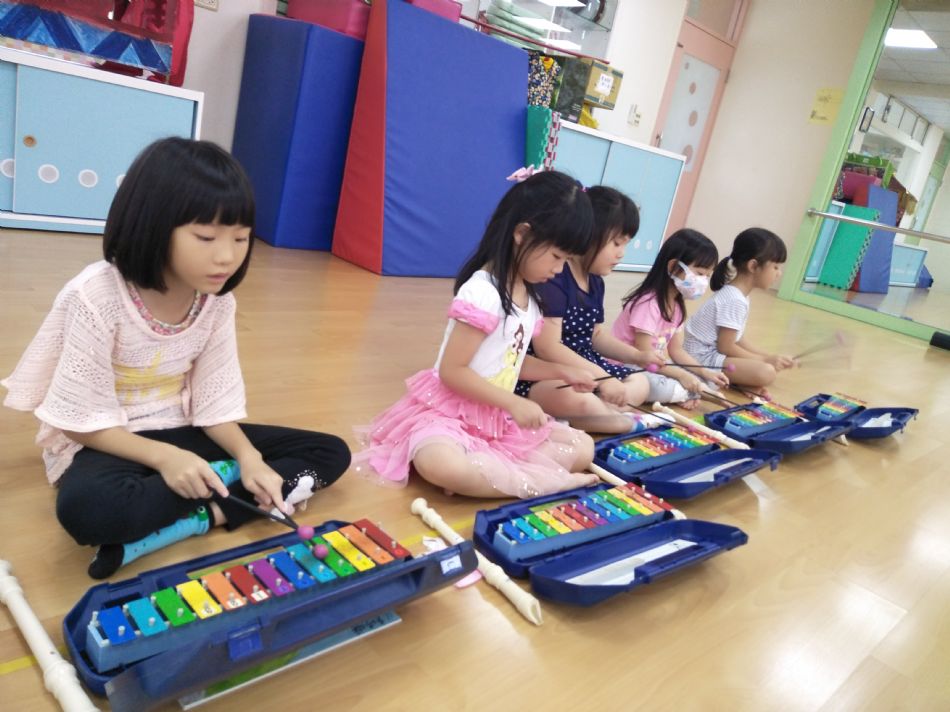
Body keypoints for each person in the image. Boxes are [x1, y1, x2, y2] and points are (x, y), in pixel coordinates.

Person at [1, 138, 350, 579]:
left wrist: (248, 458)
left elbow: (213, 406)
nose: (227, 256)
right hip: (111, 437)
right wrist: (166, 460)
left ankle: (202, 517)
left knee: (329, 452)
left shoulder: (217, 302)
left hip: (182, 426)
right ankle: (220, 490)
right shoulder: (95, 296)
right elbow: (78, 421)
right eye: (206, 237)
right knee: (88, 510)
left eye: (241, 238)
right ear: (153, 225)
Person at [353, 170, 600, 498]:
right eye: (557, 256)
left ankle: (491, 473)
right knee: (443, 465)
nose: (559, 269)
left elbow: (509, 363)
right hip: (448, 413)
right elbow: (452, 371)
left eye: (567, 260)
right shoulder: (484, 292)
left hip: (493, 419)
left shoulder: (531, 299)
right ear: (522, 234)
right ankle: (540, 482)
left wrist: (563, 371)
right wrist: (514, 403)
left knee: (583, 447)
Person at [516, 185, 664, 433]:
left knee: (640, 382)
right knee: (578, 399)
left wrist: (637, 356)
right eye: (616, 243)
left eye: (625, 245)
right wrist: (602, 377)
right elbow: (547, 347)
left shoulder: (595, 282)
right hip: (550, 372)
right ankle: (616, 418)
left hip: (586, 367)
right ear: (588, 235)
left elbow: (595, 335)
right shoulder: (555, 277)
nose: (621, 254)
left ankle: (602, 414)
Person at [613, 228, 729, 409]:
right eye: (699, 273)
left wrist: (705, 372)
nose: (703, 281)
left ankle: (687, 392)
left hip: (655, 365)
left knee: (708, 381)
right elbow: (644, 356)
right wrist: (683, 376)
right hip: (629, 364)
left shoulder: (677, 307)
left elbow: (677, 351)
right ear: (673, 266)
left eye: (707, 276)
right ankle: (688, 393)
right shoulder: (648, 303)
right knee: (662, 385)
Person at [683, 227, 796, 395]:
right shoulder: (734, 299)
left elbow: (738, 339)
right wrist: (765, 360)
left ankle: (737, 380)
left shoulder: (740, 295)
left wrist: (770, 357)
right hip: (699, 360)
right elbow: (726, 346)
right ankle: (735, 380)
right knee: (766, 372)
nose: (779, 274)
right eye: (775, 267)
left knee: (766, 367)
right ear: (753, 266)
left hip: (712, 356)